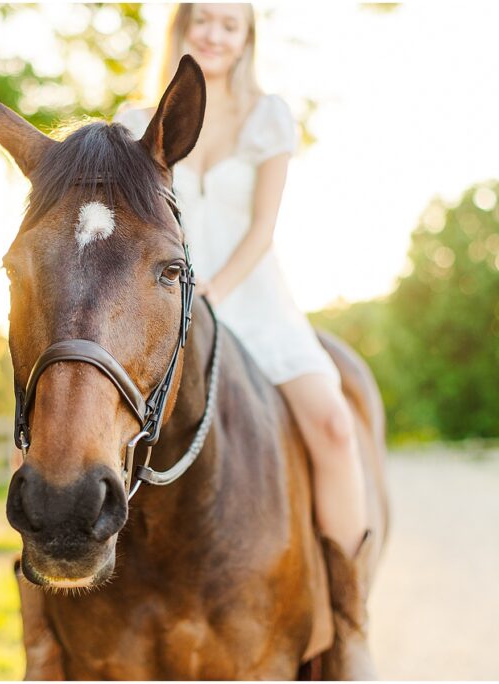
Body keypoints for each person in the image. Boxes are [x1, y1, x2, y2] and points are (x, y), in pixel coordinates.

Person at [115, 4, 374, 674]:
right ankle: (45, 633)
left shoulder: (270, 116)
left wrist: (213, 292)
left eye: (231, 24)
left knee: (335, 426)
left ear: (247, 36)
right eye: (204, 20)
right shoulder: (131, 119)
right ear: (181, 26)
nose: (215, 34)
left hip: (252, 301)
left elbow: (263, 229)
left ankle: (348, 624)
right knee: (59, 420)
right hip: (162, 311)